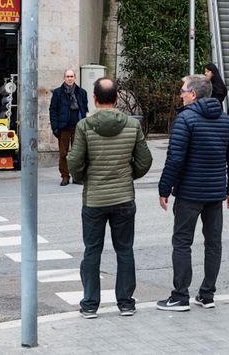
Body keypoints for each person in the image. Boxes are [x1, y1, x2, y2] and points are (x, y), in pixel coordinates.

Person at [157, 74, 229, 312]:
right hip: (215, 195)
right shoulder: (226, 121)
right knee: (213, 243)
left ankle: (180, 296)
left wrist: (164, 188)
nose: (181, 95)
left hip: (189, 194)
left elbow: (175, 158)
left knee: (182, 242)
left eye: (183, 91)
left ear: (193, 95)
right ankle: (207, 294)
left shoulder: (186, 120)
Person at [67, 77, 152, 319]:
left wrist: (84, 178)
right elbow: (145, 161)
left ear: (94, 99)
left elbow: (74, 161)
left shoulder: (84, 125)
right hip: (124, 197)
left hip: (94, 199)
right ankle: (125, 303)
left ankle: (90, 304)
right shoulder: (132, 125)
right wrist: (128, 175)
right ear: (116, 99)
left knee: (92, 251)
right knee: (124, 250)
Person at [49, 69, 90, 186]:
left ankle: (77, 177)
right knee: (63, 154)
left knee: (78, 154)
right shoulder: (57, 92)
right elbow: (53, 110)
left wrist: (86, 124)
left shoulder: (82, 92)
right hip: (64, 128)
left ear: (75, 78)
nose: (70, 78)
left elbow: (85, 109)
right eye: (67, 76)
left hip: (78, 127)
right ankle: (65, 176)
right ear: (64, 78)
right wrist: (55, 127)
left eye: (72, 76)